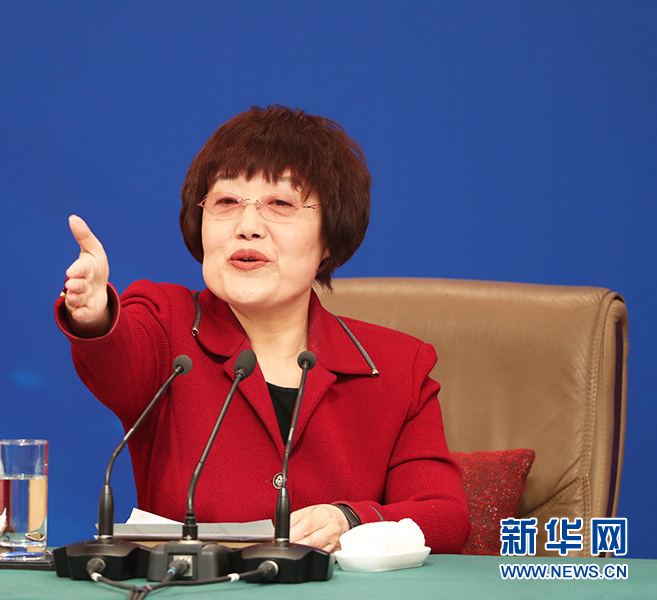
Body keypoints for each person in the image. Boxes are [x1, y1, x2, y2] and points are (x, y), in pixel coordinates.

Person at [55, 105, 470, 553]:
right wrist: (96, 315)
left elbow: (445, 517)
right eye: (226, 203)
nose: (248, 227)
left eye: (281, 204)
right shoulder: (165, 322)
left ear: (330, 238)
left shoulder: (396, 366)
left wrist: (350, 520)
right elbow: (119, 358)